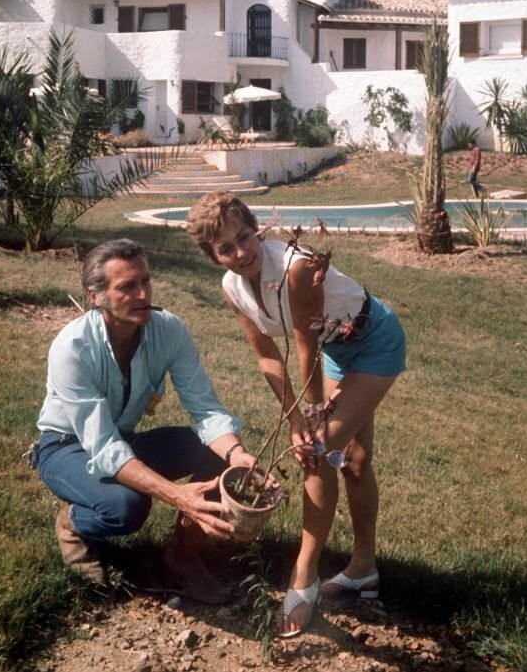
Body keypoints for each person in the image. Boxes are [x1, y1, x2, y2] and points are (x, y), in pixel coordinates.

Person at [186, 193, 406, 637]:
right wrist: (293, 416)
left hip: (373, 341)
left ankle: (302, 576)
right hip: (335, 350)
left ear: (257, 230)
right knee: (355, 461)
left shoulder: (297, 266)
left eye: (245, 237)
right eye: (225, 248)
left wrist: (308, 418)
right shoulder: (232, 288)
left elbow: (304, 346)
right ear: (212, 255)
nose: (240, 252)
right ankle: (364, 569)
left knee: (319, 450)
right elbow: (267, 357)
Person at [32, 238, 257, 603]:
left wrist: (236, 454)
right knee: (126, 508)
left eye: (146, 281)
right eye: (127, 287)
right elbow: (102, 446)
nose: (142, 294)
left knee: (214, 452)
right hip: (65, 448)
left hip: (121, 440)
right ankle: (73, 524)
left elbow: (206, 409)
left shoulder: (169, 330)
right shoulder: (72, 347)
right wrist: (177, 495)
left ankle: (182, 556)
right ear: (96, 296)